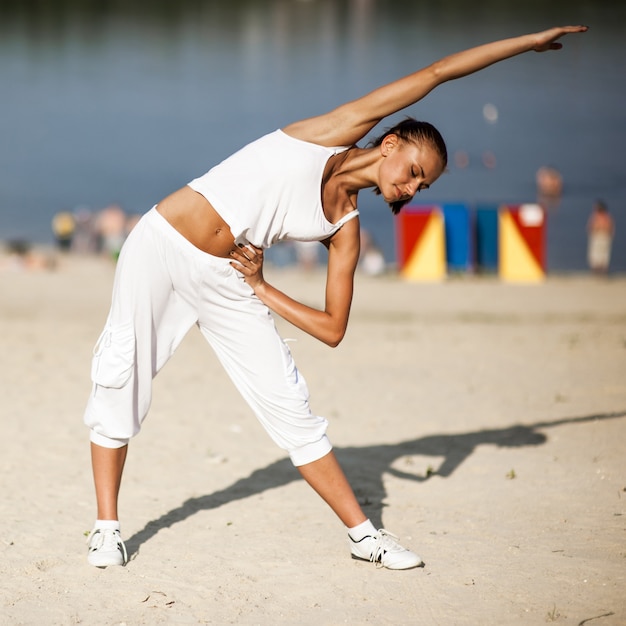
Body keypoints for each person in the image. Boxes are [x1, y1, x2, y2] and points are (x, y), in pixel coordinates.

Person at [84, 25, 587, 570]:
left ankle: (364, 536)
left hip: (232, 276)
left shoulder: (344, 228)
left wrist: (261, 287)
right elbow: (437, 73)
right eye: (414, 172)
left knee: (291, 406)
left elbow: (332, 329)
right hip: (161, 246)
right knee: (122, 375)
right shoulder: (330, 132)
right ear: (390, 144)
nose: (412, 189)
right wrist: (526, 43)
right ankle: (106, 530)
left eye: (424, 187)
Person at [587, 200, 615, 275]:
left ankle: (598, 271)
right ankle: (601, 271)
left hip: (599, 236)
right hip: (603, 236)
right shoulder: (607, 217)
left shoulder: (598, 217)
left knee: (598, 254)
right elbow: (611, 229)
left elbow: (590, 227)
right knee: (602, 254)